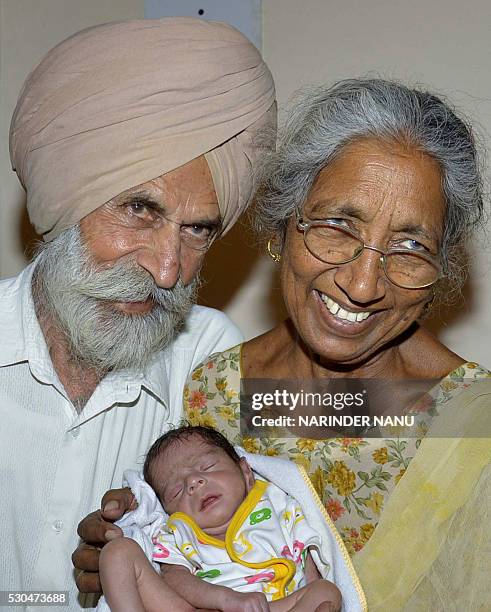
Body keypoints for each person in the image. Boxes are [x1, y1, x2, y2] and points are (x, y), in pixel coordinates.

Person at [78, 78, 491, 610]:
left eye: (410, 246)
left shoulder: (474, 427)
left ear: (440, 270)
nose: (362, 285)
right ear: (281, 228)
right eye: (338, 225)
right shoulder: (217, 390)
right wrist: (126, 556)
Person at [1, 16, 275, 610]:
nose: (169, 270)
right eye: (139, 211)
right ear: (63, 203)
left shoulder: (207, 353)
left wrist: (158, 556)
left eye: (197, 228)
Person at [99, 426, 343, 611]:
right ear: (169, 511)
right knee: (117, 552)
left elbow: (307, 555)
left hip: (276, 605)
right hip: (203, 607)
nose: (193, 482)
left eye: (207, 466)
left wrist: (310, 583)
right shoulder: (179, 531)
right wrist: (224, 598)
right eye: (176, 490)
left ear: (246, 472)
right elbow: (174, 578)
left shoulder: (276, 501)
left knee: (325, 591)